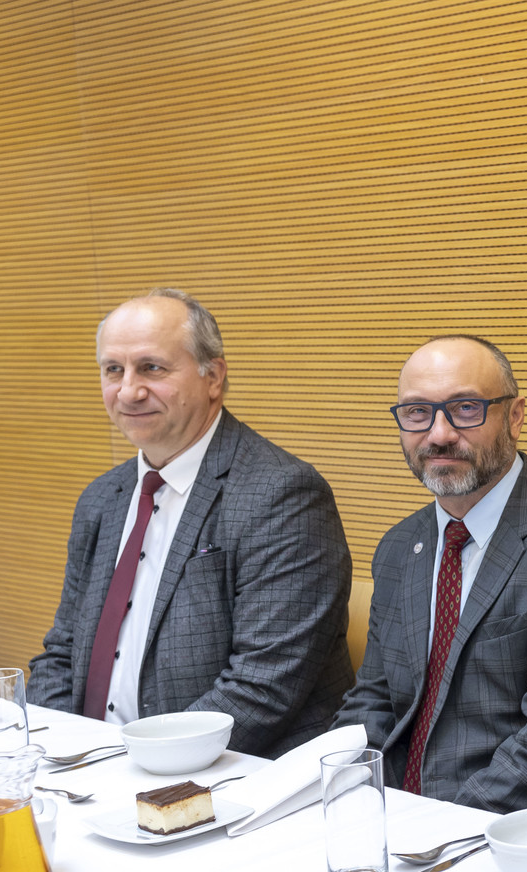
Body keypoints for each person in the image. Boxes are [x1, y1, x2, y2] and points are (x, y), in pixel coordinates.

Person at [31, 289, 353, 757]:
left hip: (227, 774)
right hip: (92, 768)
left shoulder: (282, 494)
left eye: (152, 368)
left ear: (213, 376)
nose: (128, 391)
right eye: (113, 370)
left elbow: (261, 689)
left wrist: (132, 764)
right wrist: (60, 750)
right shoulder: (101, 498)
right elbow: (62, 652)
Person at [333, 335, 527, 810]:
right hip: (392, 815)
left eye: (465, 408)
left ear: (514, 416)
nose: (439, 434)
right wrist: (343, 796)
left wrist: (434, 831)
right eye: (417, 412)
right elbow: (371, 702)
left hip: (500, 830)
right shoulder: (398, 546)